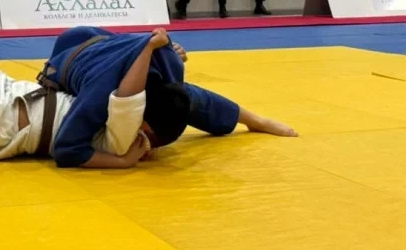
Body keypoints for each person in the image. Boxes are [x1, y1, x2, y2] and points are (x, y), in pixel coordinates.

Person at [0, 31, 183, 167]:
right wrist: (167, 53)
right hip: (15, 96)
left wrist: (148, 47)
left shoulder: (125, 138)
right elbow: (163, 98)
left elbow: (128, 95)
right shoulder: (134, 132)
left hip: (5, 122)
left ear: (148, 126)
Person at [37, 26, 297, 168]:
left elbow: (194, 99)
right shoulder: (99, 93)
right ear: (140, 114)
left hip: (108, 40)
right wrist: (121, 161)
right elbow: (67, 150)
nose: (147, 144)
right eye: (147, 134)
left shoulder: (171, 69)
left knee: (186, 97)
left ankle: (255, 120)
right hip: (69, 51)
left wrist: (257, 120)